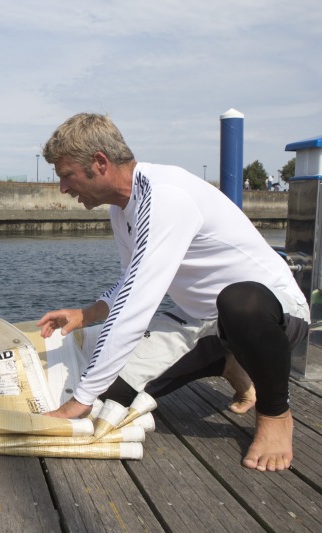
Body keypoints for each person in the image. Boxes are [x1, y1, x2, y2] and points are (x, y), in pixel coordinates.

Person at [36, 113, 309, 472]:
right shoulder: (121, 210)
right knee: (110, 396)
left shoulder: (166, 195)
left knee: (239, 303)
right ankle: (230, 362)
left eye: (66, 175)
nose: (62, 188)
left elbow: (137, 304)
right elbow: (130, 282)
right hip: (202, 322)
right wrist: (86, 314)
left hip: (272, 314)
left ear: (99, 163)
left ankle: (275, 414)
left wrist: (79, 400)